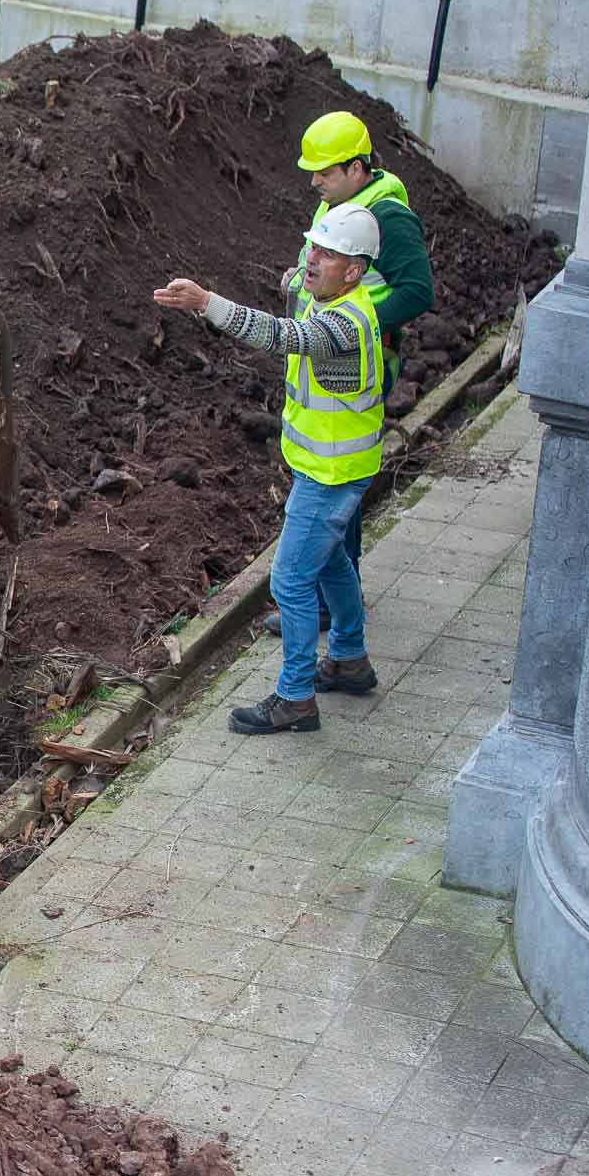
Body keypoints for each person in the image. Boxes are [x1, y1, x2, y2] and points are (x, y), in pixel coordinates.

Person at [154, 203, 387, 734]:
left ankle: (295, 698)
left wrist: (206, 301)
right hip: (333, 467)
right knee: (329, 565)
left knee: (290, 579)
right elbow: (296, 288)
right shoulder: (334, 293)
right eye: (314, 248)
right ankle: (350, 658)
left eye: (328, 254)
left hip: (331, 476)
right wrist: (295, 274)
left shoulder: (341, 326)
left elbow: (280, 335)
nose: (313, 260)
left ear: (353, 271)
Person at [261, 110, 433, 635]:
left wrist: (353, 325)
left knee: (340, 479)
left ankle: (327, 605)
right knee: (327, 477)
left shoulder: (387, 218)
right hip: (327, 355)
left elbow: (417, 291)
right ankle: (335, 613)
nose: (314, 181)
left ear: (358, 168)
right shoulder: (341, 202)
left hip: (358, 360)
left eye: (326, 172)